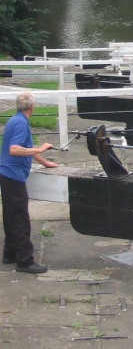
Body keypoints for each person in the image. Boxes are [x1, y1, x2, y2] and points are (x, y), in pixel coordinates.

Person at [0, 91, 58, 274]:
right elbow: (15, 150)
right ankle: (25, 261)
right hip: (13, 176)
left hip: (7, 175)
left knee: (11, 216)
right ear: (32, 107)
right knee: (20, 219)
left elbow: (25, 148)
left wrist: (45, 162)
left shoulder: (15, 120)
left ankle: (10, 253)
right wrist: (41, 147)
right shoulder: (21, 124)